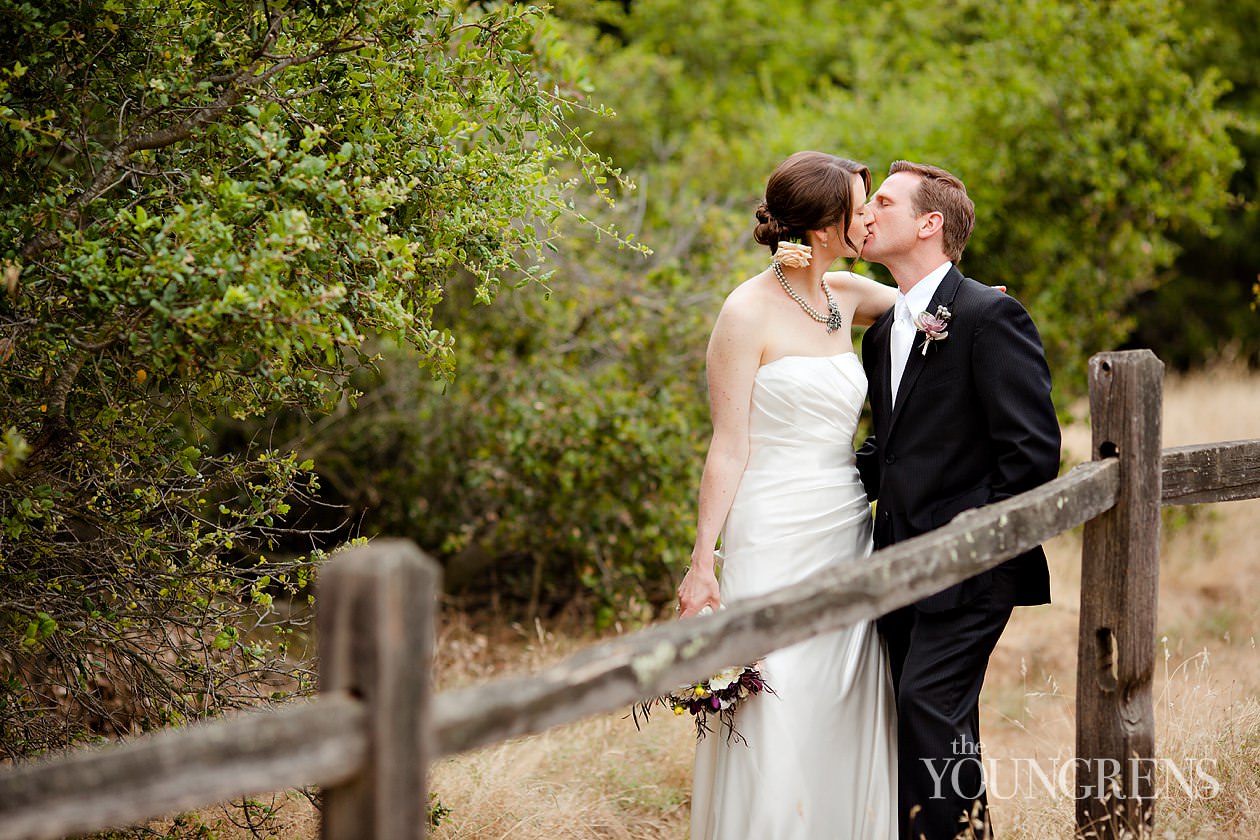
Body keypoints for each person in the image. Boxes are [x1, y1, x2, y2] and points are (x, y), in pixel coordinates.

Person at [676, 150, 899, 839]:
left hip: (843, 529)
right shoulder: (746, 312)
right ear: (827, 226)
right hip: (772, 529)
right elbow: (729, 446)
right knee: (779, 697)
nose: (869, 219)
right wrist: (701, 561)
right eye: (861, 210)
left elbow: (940, 308)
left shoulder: (847, 296)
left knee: (843, 698)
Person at [855, 161, 1061, 839]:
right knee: (937, 724)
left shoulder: (987, 315)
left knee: (925, 706)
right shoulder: (881, 333)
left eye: (883, 202)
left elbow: (1030, 454)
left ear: (929, 223)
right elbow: (890, 455)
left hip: (971, 567)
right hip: (897, 569)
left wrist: (966, 538)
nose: (867, 212)